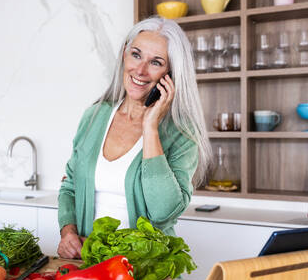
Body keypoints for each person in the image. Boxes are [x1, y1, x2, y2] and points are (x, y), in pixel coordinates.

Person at [57, 16, 212, 259]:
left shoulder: (182, 134)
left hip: (146, 270)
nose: (140, 70)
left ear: (170, 76)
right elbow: (70, 187)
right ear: (124, 55)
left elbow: (163, 212)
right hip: (90, 264)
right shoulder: (94, 116)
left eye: (156, 62)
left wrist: (150, 127)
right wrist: (68, 232)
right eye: (136, 55)